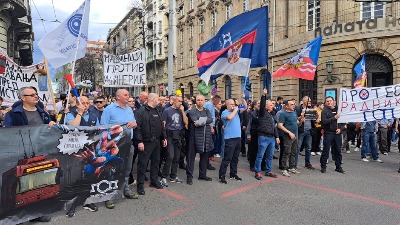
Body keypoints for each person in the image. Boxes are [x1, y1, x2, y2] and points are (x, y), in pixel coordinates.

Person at [4, 86, 55, 222]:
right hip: (21, 156)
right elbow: (8, 134)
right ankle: (18, 215)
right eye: (32, 95)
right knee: (20, 186)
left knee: (39, 184)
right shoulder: (13, 114)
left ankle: (37, 213)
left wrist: (51, 124)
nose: (36, 96)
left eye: (36, 94)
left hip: (40, 154)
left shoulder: (42, 112)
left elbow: (48, 130)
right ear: (23, 98)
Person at [100, 89, 139, 209]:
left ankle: (126, 189)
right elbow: (102, 127)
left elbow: (134, 123)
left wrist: (134, 124)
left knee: (127, 169)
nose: (128, 97)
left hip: (128, 144)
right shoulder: (109, 109)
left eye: (128, 95)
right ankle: (108, 196)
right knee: (112, 170)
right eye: (126, 95)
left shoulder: (129, 109)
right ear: (118, 97)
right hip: (114, 146)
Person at [64, 95, 100, 217]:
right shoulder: (70, 114)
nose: (85, 105)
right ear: (77, 103)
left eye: (87, 103)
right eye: (82, 103)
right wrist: (79, 113)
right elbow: (72, 127)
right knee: (75, 178)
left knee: (89, 177)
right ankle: (71, 204)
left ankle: (86, 201)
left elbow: (98, 132)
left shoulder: (94, 116)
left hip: (89, 151)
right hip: (75, 151)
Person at [135, 93, 167, 194]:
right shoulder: (141, 111)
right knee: (143, 164)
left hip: (157, 141)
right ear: (153, 99)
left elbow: (161, 125)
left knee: (156, 162)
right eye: (158, 99)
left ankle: (154, 181)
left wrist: (164, 137)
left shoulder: (158, 110)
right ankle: (140, 185)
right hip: (146, 142)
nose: (159, 101)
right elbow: (137, 128)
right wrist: (140, 141)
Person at [160, 95, 188, 187]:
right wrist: (164, 137)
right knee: (170, 156)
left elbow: (186, 122)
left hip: (178, 135)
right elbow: (163, 125)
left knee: (177, 157)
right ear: (174, 101)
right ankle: (164, 176)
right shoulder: (167, 111)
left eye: (181, 101)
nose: (181, 103)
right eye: (179, 101)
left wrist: (183, 111)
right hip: (169, 135)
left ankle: (173, 175)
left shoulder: (181, 111)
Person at [186, 95, 213, 185]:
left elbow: (211, 119)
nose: (200, 101)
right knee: (191, 158)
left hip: (205, 136)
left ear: (204, 101)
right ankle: (189, 177)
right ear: (195, 101)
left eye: (201, 100)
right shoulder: (192, 111)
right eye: (198, 100)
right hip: (194, 136)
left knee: (204, 157)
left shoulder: (207, 110)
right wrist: (205, 121)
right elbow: (195, 121)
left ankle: (202, 175)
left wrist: (200, 121)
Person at [254, 89, 280, 180]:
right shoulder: (262, 112)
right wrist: (264, 95)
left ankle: (268, 171)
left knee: (269, 155)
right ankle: (257, 171)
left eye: (273, 105)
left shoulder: (272, 114)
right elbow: (261, 105)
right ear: (266, 106)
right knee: (260, 155)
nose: (273, 106)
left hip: (271, 138)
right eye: (271, 105)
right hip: (263, 137)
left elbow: (274, 126)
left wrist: (277, 136)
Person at [218, 98, 244, 184]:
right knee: (227, 158)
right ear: (227, 105)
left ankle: (233, 174)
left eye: (234, 104)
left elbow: (245, 107)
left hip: (238, 137)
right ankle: (222, 175)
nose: (233, 106)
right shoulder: (225, 112)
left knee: (235, 158)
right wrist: (235, 109)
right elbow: (229, 117)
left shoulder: (235, 112)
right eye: (231, 104)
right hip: (230, 138)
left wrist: (243, 99)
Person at [320, 96, 345, 174]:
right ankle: (323, 167)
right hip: (328, 133)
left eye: (330, 101)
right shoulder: (324, 111)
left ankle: (338, 166)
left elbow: (343, 122)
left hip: (337, 133)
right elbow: (324, 121)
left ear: (333, 101)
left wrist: (340, 129)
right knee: (326, 150)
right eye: (327, 101)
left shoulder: (339, 110)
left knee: (338, 150)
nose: (329, 102)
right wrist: (334, 117)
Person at [277, 100, 299, 177]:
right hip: (288, 136)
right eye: (291, 104)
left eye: (294, 104)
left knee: (293, 152)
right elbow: (280, 125)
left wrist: (301, 120)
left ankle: (291, 167)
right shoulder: (283, 114)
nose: (294, 106)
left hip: (295, 135)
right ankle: (284, 168)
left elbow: (296, 123)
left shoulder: (294, 113)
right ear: (286, 106)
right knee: (286, 152)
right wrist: (289, 132)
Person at [295, 96, 315, 170]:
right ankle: (294, 164)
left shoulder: (311, 109)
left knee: (308, 148)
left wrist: (315, 117)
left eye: (310, 101)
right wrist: (300, 117)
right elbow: (295, 118)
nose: (309, 102)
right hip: (301, 130)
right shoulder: (298, 109)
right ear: (304, 101)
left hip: (309, 130)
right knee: (298, 147)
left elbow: (313, 120)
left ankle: (307, 163)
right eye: (308, 101)